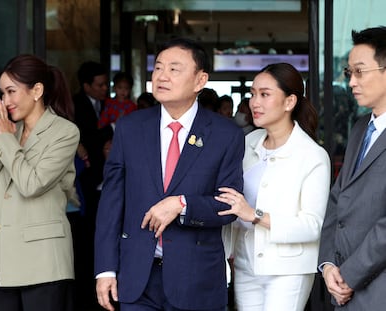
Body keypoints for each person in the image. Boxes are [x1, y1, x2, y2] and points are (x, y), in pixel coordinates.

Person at [94, 37, 244, 311]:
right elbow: (111, 203)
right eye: (158, 68)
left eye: (174, 69)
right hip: (137, 275)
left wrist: (182, 204)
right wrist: (105, 269)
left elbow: (229, 205)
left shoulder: (225, 135)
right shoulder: (130, 128)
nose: (162, 76)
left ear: (200, 80)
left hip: (196, 279)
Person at [218, 62, 331, 311]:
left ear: (290, 102)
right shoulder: (248, 143)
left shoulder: (312, 155)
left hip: (288, 270)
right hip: (246, 264)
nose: (254, 103)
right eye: (252, 94)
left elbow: (313, 226)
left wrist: (254, 215)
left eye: (265, 94)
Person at [0, 54, 79, 311]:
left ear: (37, 90)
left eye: (11, 91)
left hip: (43, 263)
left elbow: (32, 184)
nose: (5, 101)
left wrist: (6, 143)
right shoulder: (9, 133)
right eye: (2, 93)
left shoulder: (64, 132)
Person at [318, 26, 386, 310]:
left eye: (360, 71)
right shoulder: (360, 128)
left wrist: (350, 274)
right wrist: (329, 264)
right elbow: (338, 199)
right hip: (345, 288)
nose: (351, 82)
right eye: (349, 73)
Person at [72, 61, 113, 310]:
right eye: (99, 85)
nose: (104, 89)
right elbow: (86, 136)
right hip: (87, 179)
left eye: (105, 84)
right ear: (86, 86)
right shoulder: (78, 106)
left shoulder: (108, 104)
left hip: (103, 179)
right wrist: (112, 129)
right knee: (87, 237)